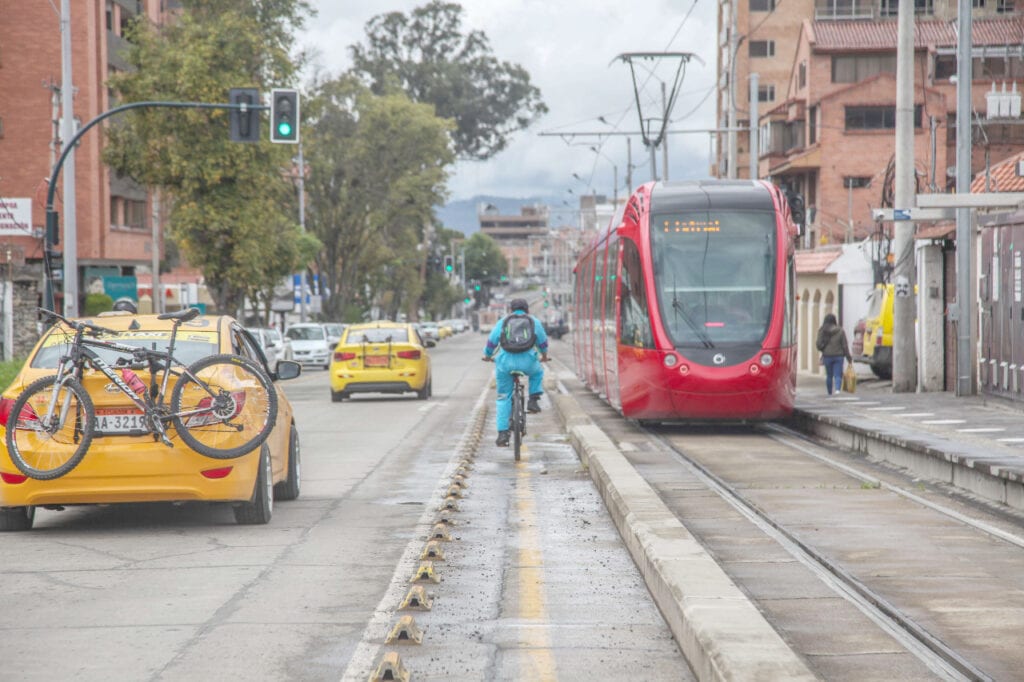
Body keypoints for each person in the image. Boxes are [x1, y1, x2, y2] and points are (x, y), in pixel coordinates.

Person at [482, 298, 549, 447]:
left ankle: (502, 434)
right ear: (527, 310)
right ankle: (533, 400)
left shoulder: (503, 322)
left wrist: (487, 355)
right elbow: (543, 342)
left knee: (503, 397)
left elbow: (492, 341)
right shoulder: (533, 321)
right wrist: (544, 355)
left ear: (510, 310)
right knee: (537, 372)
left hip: (505, 364)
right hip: (528, 362)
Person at [816, 313, 853, 395]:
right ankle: (837, 390)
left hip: (827, 356)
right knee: (838, 374)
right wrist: (848, 357)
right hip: (839, 356)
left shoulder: (822, 331)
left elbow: (818, 344)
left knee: (829, 375)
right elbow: (845, 345)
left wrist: (823, 349)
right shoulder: (840, 331)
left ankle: (829, 392)